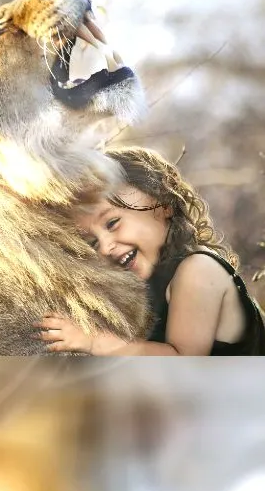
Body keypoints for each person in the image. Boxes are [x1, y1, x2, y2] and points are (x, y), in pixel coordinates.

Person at [33, 147, 265, 356]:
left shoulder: (198, 270)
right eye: (93, 242)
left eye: (112, 223)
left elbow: (183, 362)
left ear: (163, 204)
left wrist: (94, 342)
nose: (105, 247)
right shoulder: (154, 283)